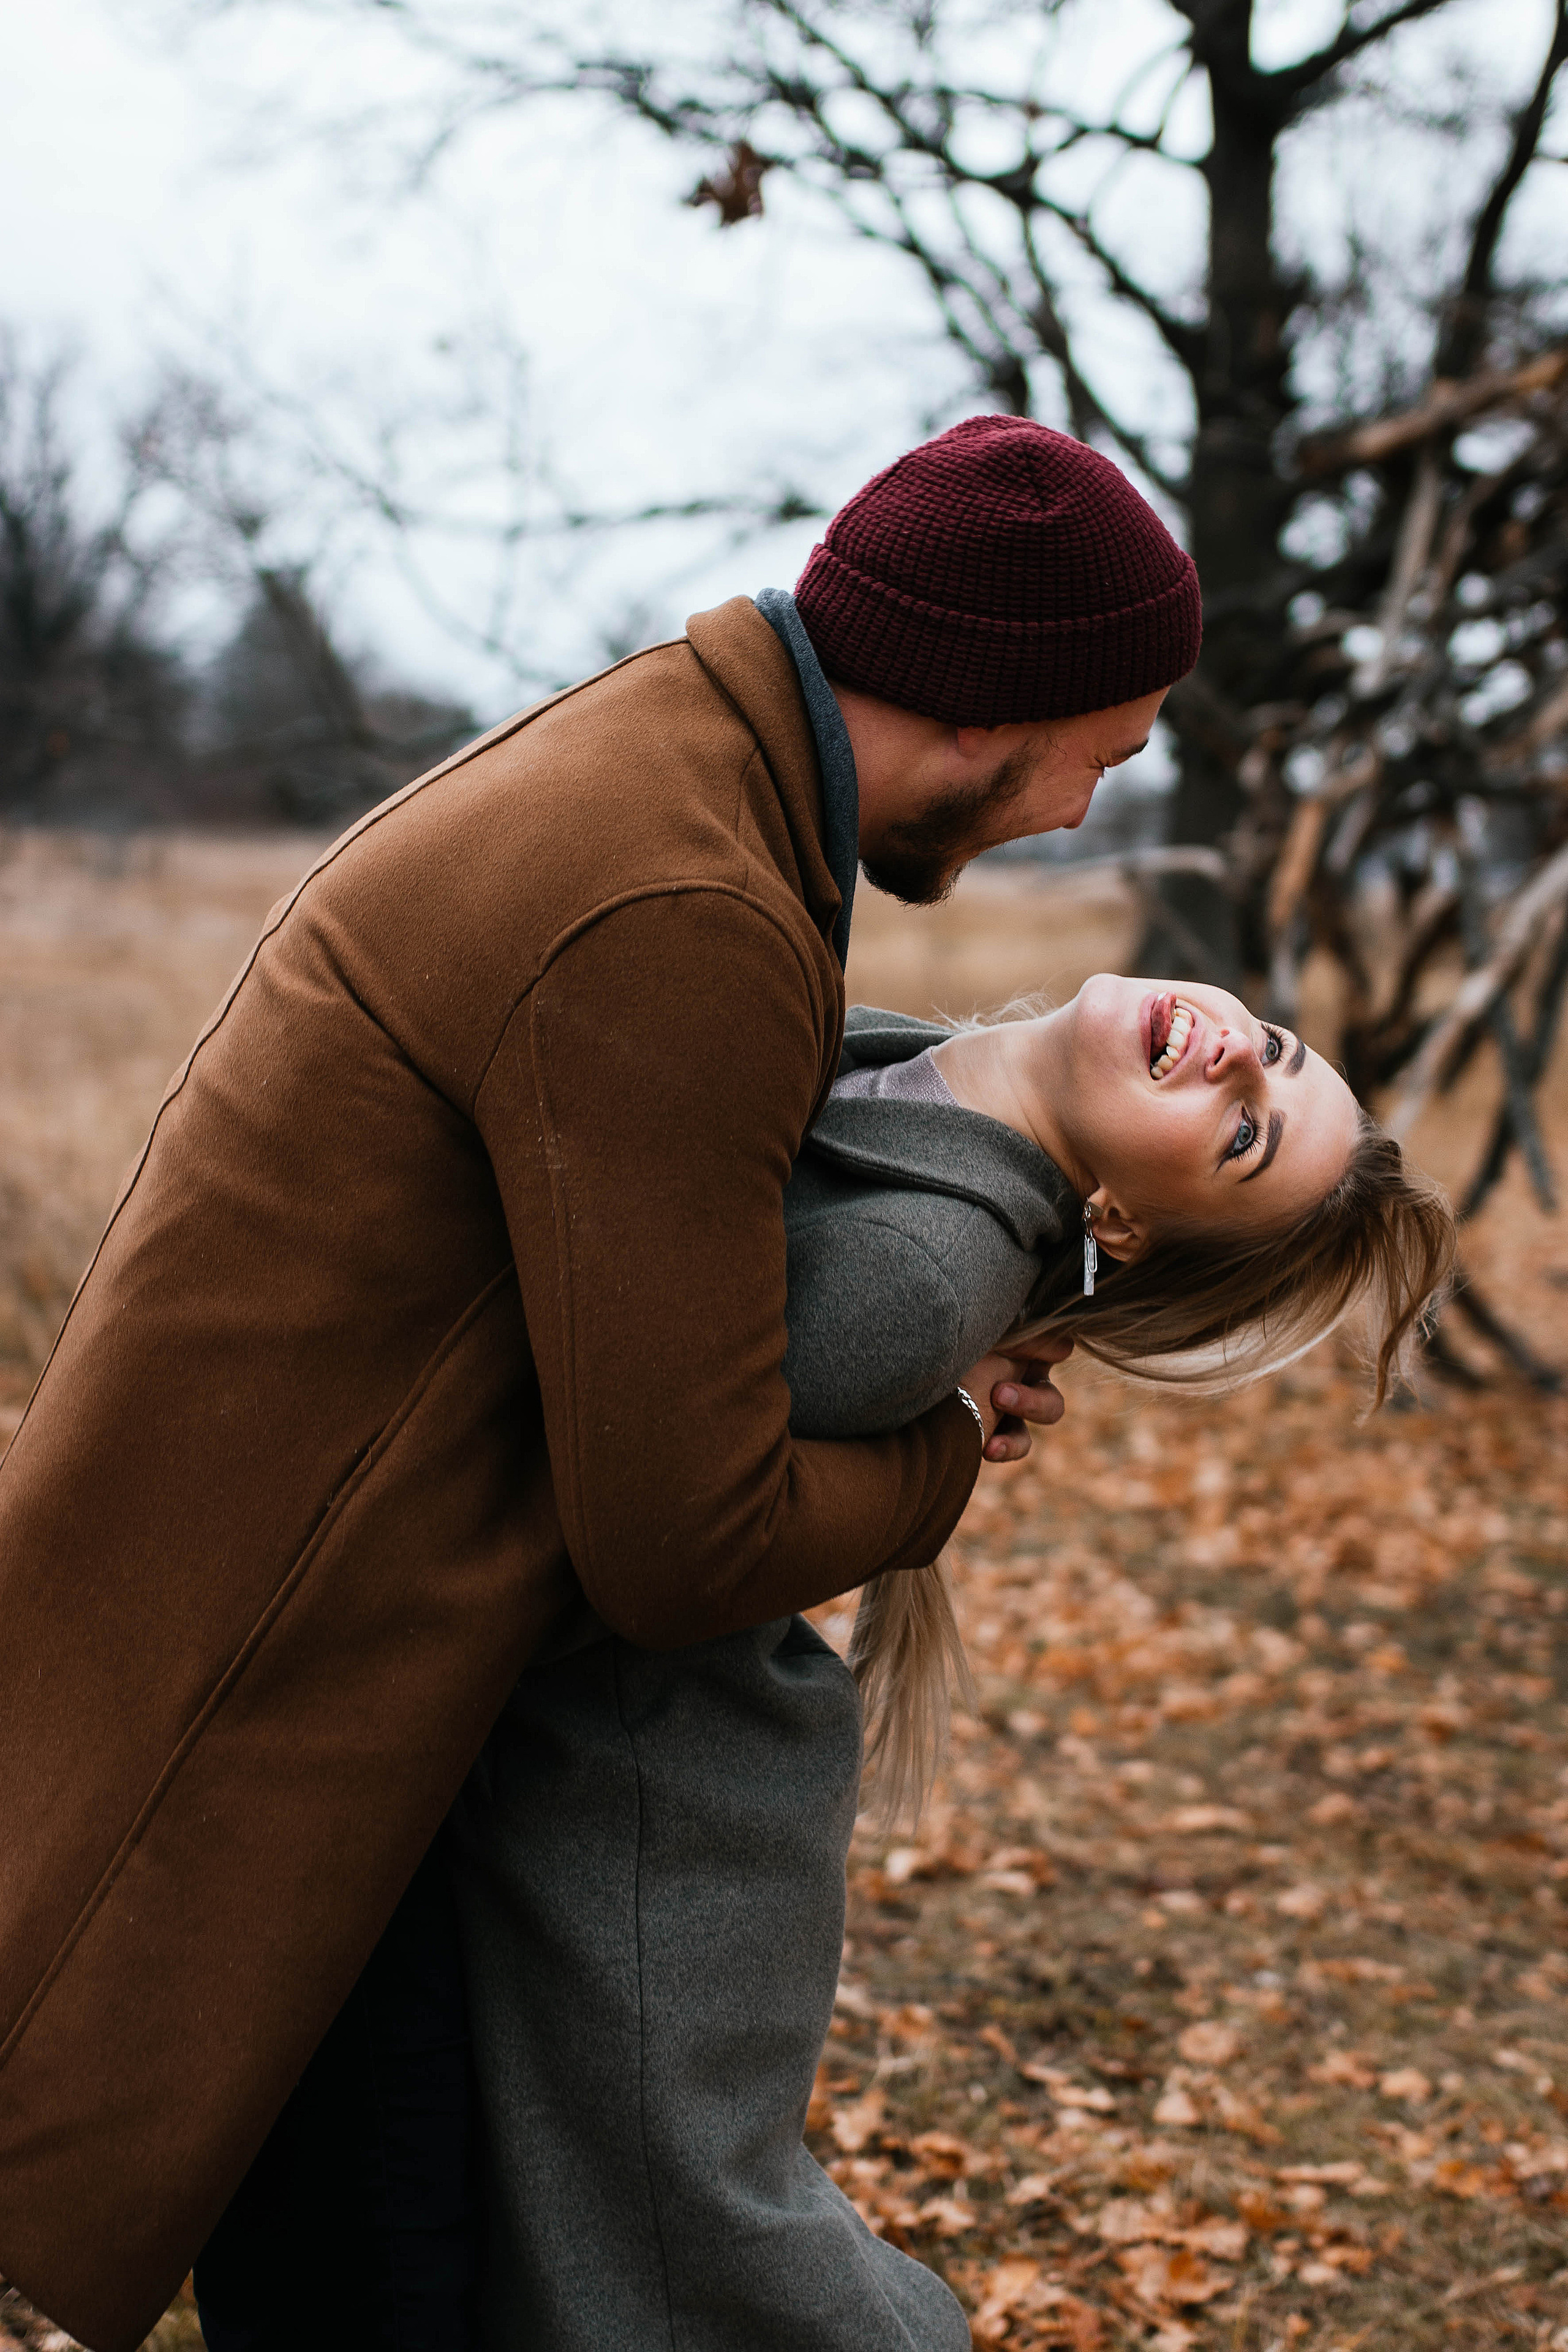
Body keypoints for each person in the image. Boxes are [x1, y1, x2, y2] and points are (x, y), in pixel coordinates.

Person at [0, 413, 1202, 2352]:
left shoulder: (685, 774)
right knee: (377, 2290)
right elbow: (682, 1541)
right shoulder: (682, 897)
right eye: (1103, 753)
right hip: (281, 1701)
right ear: (995, 703)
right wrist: (944, 1450)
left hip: (311, 1646)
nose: (1078, 812)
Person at [442, 986, 1453, 2352]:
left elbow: (651, 1486)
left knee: (682, 2247)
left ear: (1119, 1225)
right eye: (1273, 1053)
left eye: (1242, 1135)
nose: (1237, 1063)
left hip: (645, 1782)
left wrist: (947, 1418)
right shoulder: (920, 1064)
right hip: (615, 1759)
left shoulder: (915, 1282)